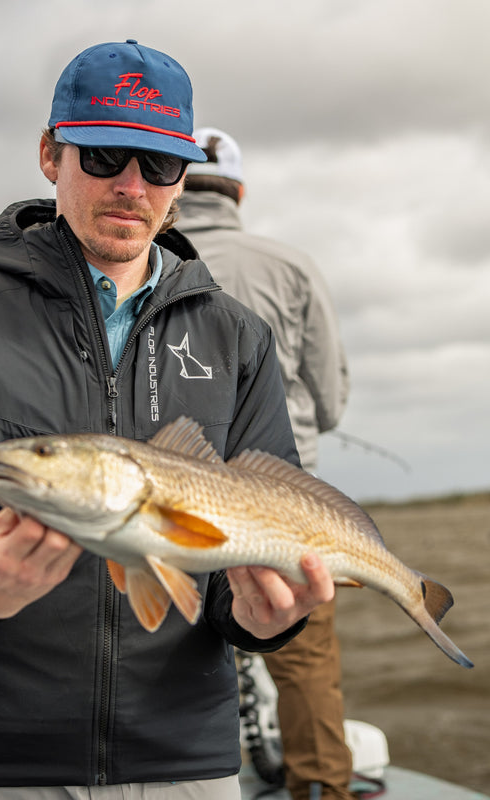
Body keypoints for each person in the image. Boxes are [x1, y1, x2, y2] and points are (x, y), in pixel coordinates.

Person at [0, 41, 335, 800]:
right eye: (104, 155)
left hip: (190, 764)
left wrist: (263, 620)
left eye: (160, 164)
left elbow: (253, 538)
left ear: (181, 177)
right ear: (50, 154)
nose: (132, 186)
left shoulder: (239, 336)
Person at [177, 128, 352, 800]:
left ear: (175, 181)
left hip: (167, 500)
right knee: (303, 656)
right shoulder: (292, 266)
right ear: (240, 192)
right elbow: (329, 397)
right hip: (283, 498)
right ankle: (321, 788)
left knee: (164, 639)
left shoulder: (138, 264)